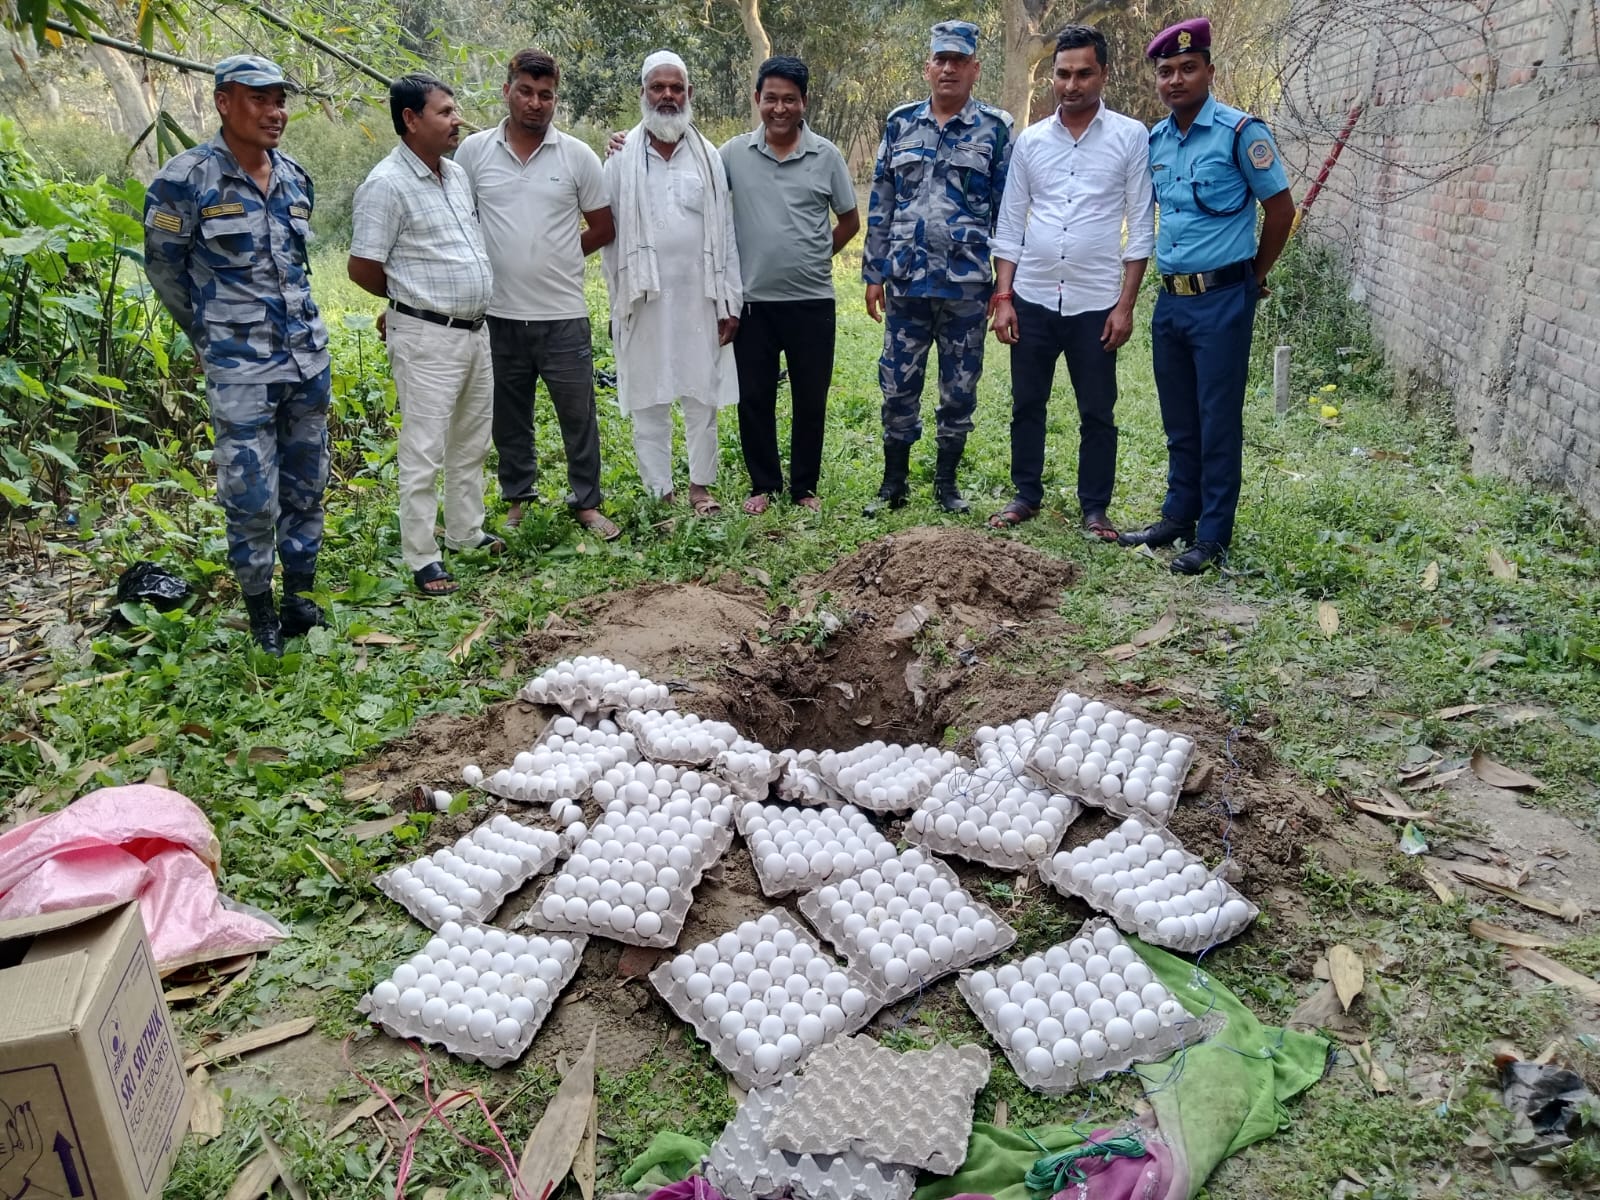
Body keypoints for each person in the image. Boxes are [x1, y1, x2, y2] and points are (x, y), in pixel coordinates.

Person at [144, 55, 331, 657]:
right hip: (239, 368)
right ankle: (260, 612)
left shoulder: (297, 177)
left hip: (305, 359)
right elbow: (165, 271)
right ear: (224, 102)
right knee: (250, 494)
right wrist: (211, 337)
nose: (276, 112)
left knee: (307, 483)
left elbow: (296, 268)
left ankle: (298, 595)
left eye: (280, 100)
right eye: (260, 99)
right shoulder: (186, 180)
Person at [1118, 17, 1294, 574]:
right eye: (1165, 71)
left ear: (1209, 72)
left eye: (1187, 68)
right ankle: (1178, 517)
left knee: (1218, 419)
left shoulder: (1242, 133)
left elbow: (1281, 210)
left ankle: (1214, 535)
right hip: (1170, 300)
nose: (1175, 80)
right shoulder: (1155, 139)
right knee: (1179, 419)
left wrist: (1252, 276)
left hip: (1222, 299)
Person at [988, 25, 1154, 539]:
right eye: (1063, 73)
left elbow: (1141, 226)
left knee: (1097, 411)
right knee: (1026, 403)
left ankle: (1095, 508)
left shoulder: (1131, 137)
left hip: (1096, 302)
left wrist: (1124, 307)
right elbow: (1011, 222)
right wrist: (1004, 297)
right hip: (1033, 295)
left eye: (1084, 73)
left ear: (1103, 73)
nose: (1072, 84)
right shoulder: (1031, 142)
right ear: (1051, 78)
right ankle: (1026, 494)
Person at [454, 49, 621, 541]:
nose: (535, 102)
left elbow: (603, 226)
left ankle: (587, 503)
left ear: (555, 99)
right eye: (525, 91)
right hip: (497, 314)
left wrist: (562, 254)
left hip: (562, 311)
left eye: (545, 95)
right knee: (509, 417)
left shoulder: (577, 156)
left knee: (578, 413)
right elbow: (461, 223)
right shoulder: (473, 153)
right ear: (507, 90)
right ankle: (518, 500)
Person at [348, 73, 502, 596]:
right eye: (444, 112)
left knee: (471, 441)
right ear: (411, 119)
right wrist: (406, 303)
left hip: (474, 332)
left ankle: (466, 532)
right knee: (424, 448)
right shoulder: (386, 184)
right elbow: (362, 266)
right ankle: (422, 553)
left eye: (454, 110)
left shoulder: (455, 176)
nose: (456, 120)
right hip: (427, 336)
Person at [862, 20, 1013, 515]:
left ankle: (946, 484)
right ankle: (893, 484)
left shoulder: (995, 129)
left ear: (974, 68)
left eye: (958, 60)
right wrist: (872, 272)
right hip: (905, 279)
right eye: (940, 60)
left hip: (966, 283)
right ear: (928, 67)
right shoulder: (900, 123)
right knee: (897, 383)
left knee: (960, 387)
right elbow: (882, 200)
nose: (948, 68)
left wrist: (1005, 288)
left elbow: (1007, 212)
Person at [600, 51, 741, 515]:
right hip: (644, 299)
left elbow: (727, 235)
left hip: (701, 298)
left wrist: (731, 303)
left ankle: (701, 487)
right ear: (643, 94)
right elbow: (611, 241)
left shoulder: (709, 157)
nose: (667, 96)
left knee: (703, 395)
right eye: (657, 88)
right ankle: (659, 491)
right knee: (648, 396)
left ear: (689, 95)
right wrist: (617, 304)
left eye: (675, 88)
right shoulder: (620, 160)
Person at [720, 56, 859, 515]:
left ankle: (804, 488)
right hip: (753, 303)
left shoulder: (827, 156)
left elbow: (849, 221)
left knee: (809, 397)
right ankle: (763, 484)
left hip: (812, 302)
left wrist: (817, 255)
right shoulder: (733, 155)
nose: (780, 108)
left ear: (804, 103)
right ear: (757, 99)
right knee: (754, 397)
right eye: (771, 98)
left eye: (790, 99)